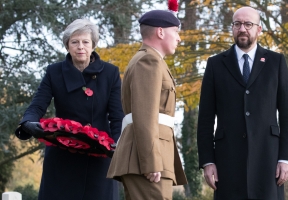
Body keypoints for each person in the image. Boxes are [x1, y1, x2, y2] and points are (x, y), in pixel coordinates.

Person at [15, 19, 124, 200]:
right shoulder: (54, 72)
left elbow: (117, 115)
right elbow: (37, 105)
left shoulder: (110, 73)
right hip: (62, 155)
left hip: (99, 157)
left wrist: (118, 144)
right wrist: (28, 122)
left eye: (85, 42)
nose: (80, 47)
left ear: (93, 45)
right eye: (74, 42)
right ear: (67, 45)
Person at [197, 6, 288, 200]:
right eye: (237, 24)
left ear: (259, 29)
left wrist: (286, 158)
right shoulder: (215, 64)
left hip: (268, 160)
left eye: (248, 24)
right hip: (227, 160)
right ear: (232, 28)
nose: (242, 28)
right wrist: (208, 161)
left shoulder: (276, 62)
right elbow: (206, 119)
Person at [107, 9, 187, 200]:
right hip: (148, 158)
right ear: (160, 32)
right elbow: (145, 115)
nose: (179, 38)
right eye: (175, 31)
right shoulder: (149, 61)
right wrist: (150, 162)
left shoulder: (151, 60)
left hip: (149, 155)